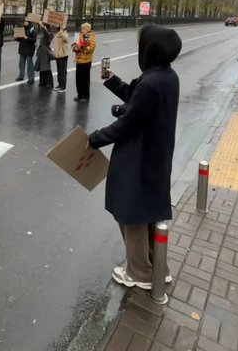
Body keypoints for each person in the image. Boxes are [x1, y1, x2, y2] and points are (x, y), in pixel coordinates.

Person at [87, 25, 182, 295]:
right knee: (149, 211)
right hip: (155, 154)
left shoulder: (151, 82)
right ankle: (158, 267)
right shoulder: (166, 76)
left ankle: (139, 272)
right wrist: (113, 81)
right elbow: (138, 103)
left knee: (132, 214)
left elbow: (128, 124)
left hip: (138, 156)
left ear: (150, 50)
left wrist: (94, 139)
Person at [72, 23, 96, 102]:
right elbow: (74, 45)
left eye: (84, 29)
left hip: (86, 61)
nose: (82, 30)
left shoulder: (91, 36)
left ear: (88, 29)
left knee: (85, 79)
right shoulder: (79, 35)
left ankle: (86, 97)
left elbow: (91, 48)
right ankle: (80, 95)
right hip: (79, 60)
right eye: (82, 28)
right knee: (78, 79)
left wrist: (82, 47)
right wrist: (76, 48)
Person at [15, 19, 37, 85]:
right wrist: (16, 38)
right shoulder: (22, 29)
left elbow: (34, 40)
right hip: (22, 48)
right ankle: (21, 76)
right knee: (21, 64)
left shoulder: (32, 30)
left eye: (26, 21)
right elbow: (20, 40)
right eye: (24, 21)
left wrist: (27, 38)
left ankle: (31, 79)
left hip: (29, 49)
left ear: (29, 22)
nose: (24, 23)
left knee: (29, 64)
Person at [35, 23, 55, 88]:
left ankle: (49, 82)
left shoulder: (50, 34)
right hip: (41, 52)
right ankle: (42, 82)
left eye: (43, 27)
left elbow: (47, 34)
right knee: (42, 68)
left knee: (46, 68)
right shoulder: (45, 34)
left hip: (45, 52)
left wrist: (42, 26)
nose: (41, 28)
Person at [51, 26, 69, 92]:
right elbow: (56, 45)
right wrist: (54, 53)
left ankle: (63, 87)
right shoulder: (57, 34)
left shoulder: (64, 33)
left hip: (63, 55)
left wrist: (61, 31)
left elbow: (65, 39)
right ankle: (59, 84)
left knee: (63, 72)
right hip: (58, 55)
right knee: (59, 71)